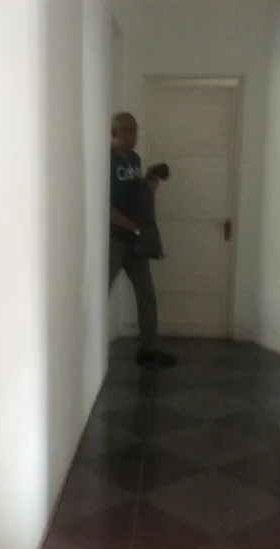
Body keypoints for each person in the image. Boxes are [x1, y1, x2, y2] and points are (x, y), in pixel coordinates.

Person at [108, 112, 176, 368]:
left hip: (136, 241)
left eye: (135, 132)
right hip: (114, 240)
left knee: (146, 294)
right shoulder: (107, 161)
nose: (132, 138)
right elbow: (104, 205)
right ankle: (85, 351)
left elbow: (136, 194)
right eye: (126, 133)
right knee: (100, 292)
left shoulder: (134, 159)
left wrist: (149, 186)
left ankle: (148, 348)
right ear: (114, 134)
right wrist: (131, 227)